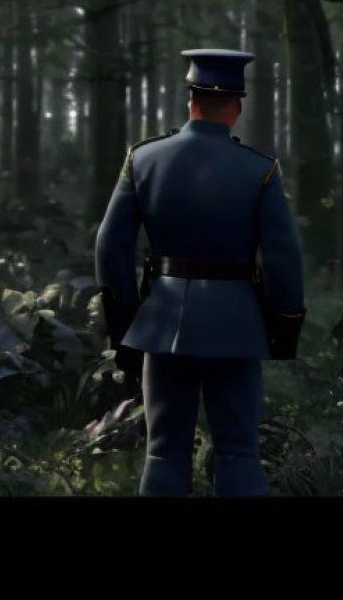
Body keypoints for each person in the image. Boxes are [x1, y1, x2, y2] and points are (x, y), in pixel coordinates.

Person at [95, 48, 306, 497]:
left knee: (164, 452)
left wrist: (128, 325)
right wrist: (283, 327)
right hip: (237, 324)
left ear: (190, 99)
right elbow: (283, 256)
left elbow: (111, 247)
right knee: (238, 451)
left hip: (163, 321)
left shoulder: (143, 158)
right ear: (237, 106)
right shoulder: (259, 169)